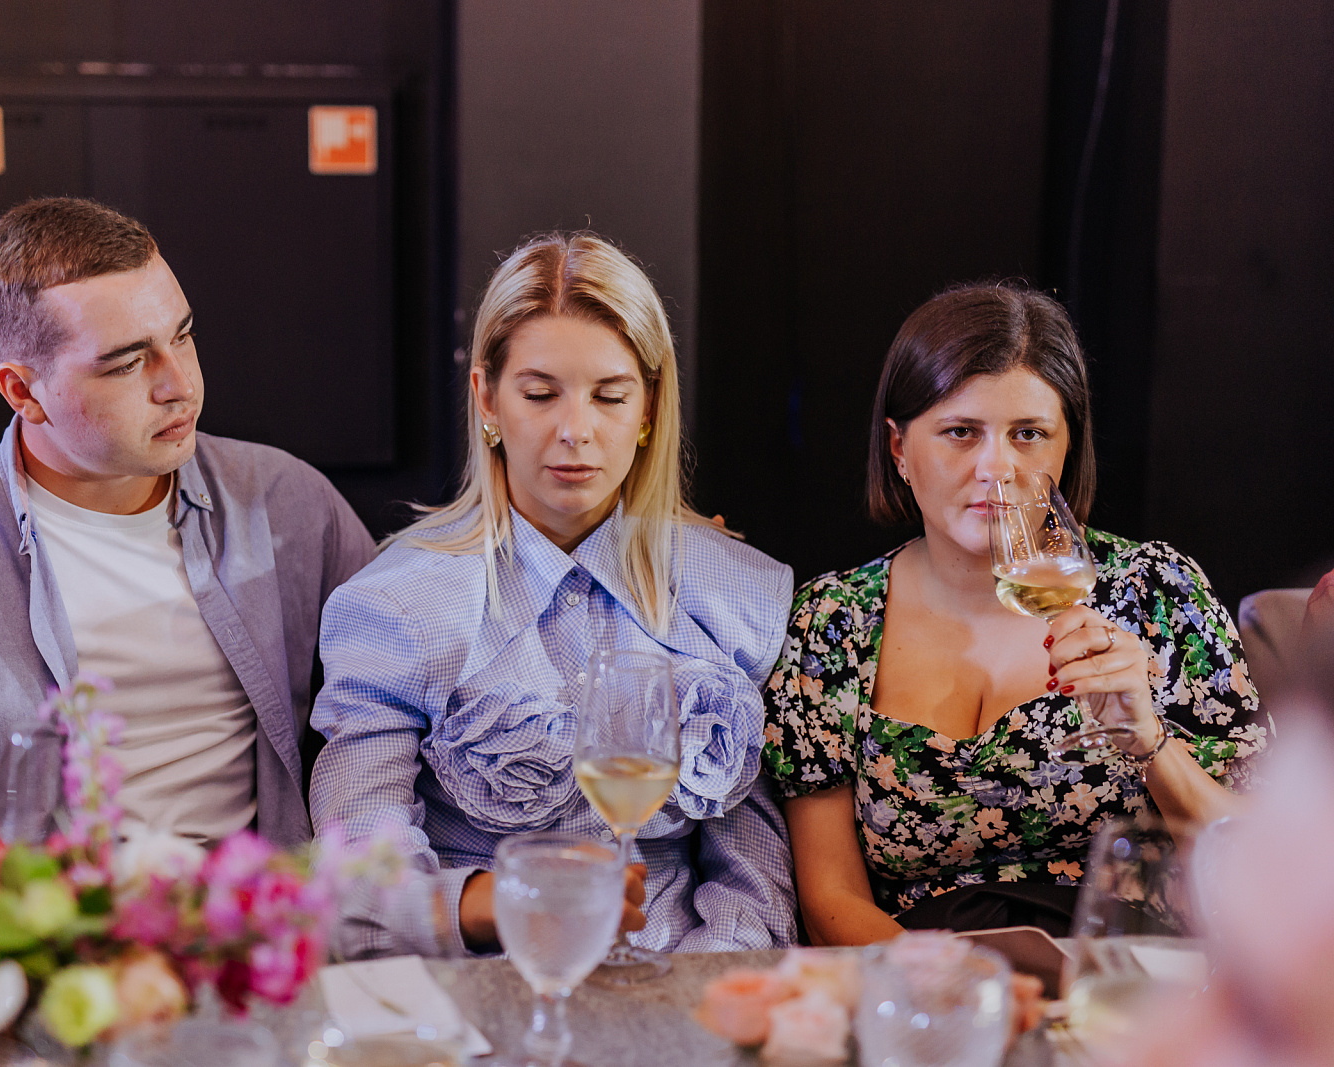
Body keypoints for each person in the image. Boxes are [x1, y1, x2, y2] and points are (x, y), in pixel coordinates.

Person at [0, 198, 373, 914]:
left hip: (260, 941)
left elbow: (403, 724)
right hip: (39, 957)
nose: (179, 384)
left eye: (183, 337)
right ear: (23, 391)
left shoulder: (289, 506)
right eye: (126, 364)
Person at [310, 232, 798, 958]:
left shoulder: (734, 592)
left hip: (686, 984)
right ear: (487, 398)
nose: (575, 430)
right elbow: (358, 883)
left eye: (610, 396)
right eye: (540, 394)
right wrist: (502, 902)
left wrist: (707, 988)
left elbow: (753, 873)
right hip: (490, 983)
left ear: (649, 408)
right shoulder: (399, 607)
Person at [762, 282, 1269, 945]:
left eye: (1028, 434)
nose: (996, 468)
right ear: (899, 449)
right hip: (922, 974)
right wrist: (953, 988)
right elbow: (830, 897)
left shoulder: (1157, 593)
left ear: (1067, 448)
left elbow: (1264, 862)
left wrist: (1149, 742)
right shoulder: (830, 623)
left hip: (1125, 971)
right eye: (960, 432)